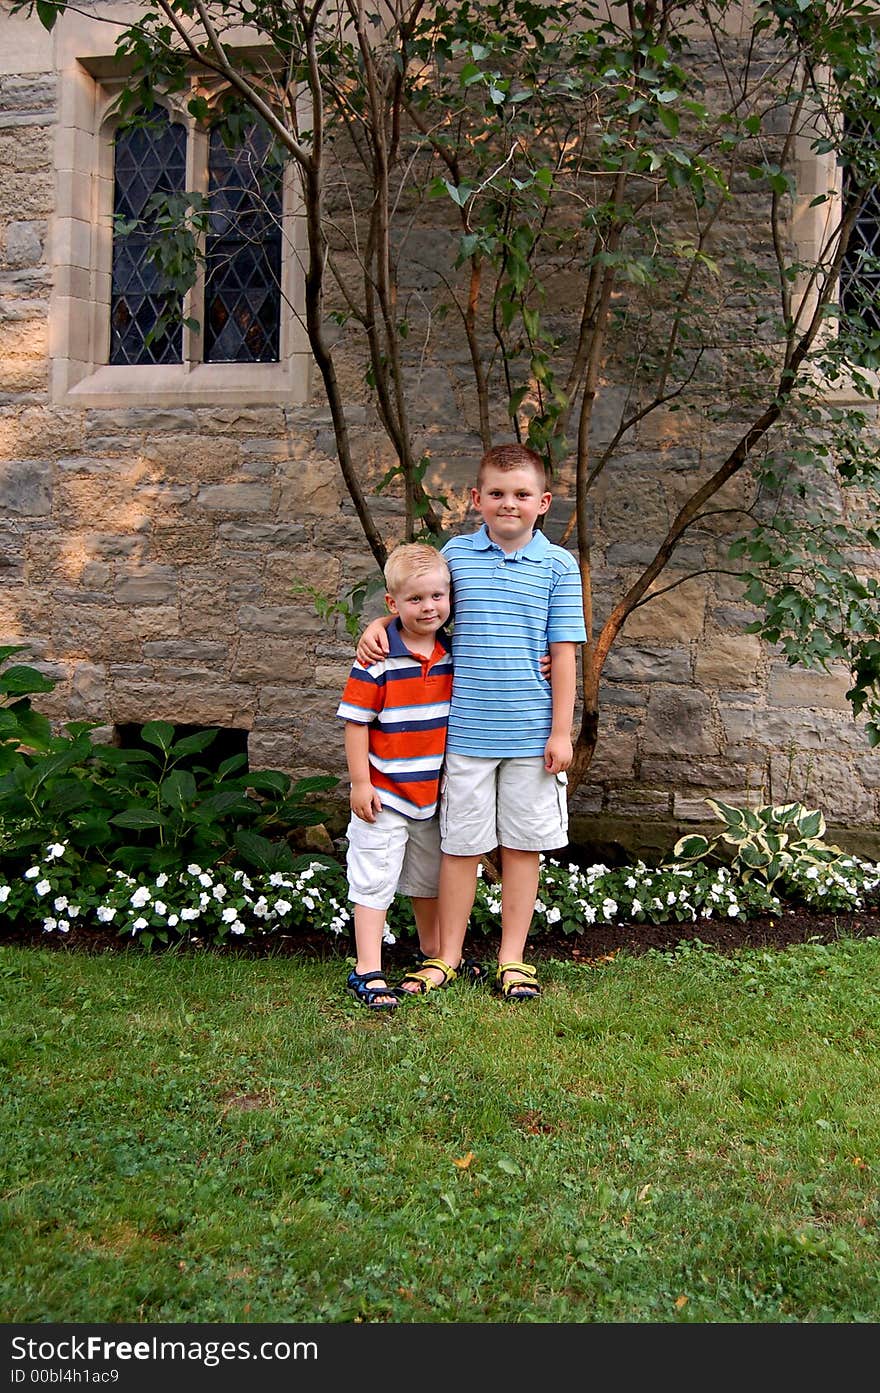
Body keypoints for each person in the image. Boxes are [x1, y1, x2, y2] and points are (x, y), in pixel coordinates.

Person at [357, 442, 587, 1001]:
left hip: (532, 736)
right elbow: (423, 601)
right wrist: (382, 623)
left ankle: (512, 960)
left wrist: (562, 730)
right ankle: (447, 957)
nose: (509, 504)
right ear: (476, 499)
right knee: (460, 847)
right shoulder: (458, 557)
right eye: (498, 494)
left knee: (521, 848)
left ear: (544, 503)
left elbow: (563, 655)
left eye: (522, 495)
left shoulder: (558, 566)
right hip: (464, 736)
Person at [337, 542, 454, 1010]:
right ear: (393, 604)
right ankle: (367, 968)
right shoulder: (377, 657)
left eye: (437, 597)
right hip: (383, 793)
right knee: (374, 878)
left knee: (428, 879)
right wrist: (361, 782)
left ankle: (433, 953)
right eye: (415, 599)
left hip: (430, 795)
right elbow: (355, 722)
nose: (429, 607)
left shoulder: (453, 651)